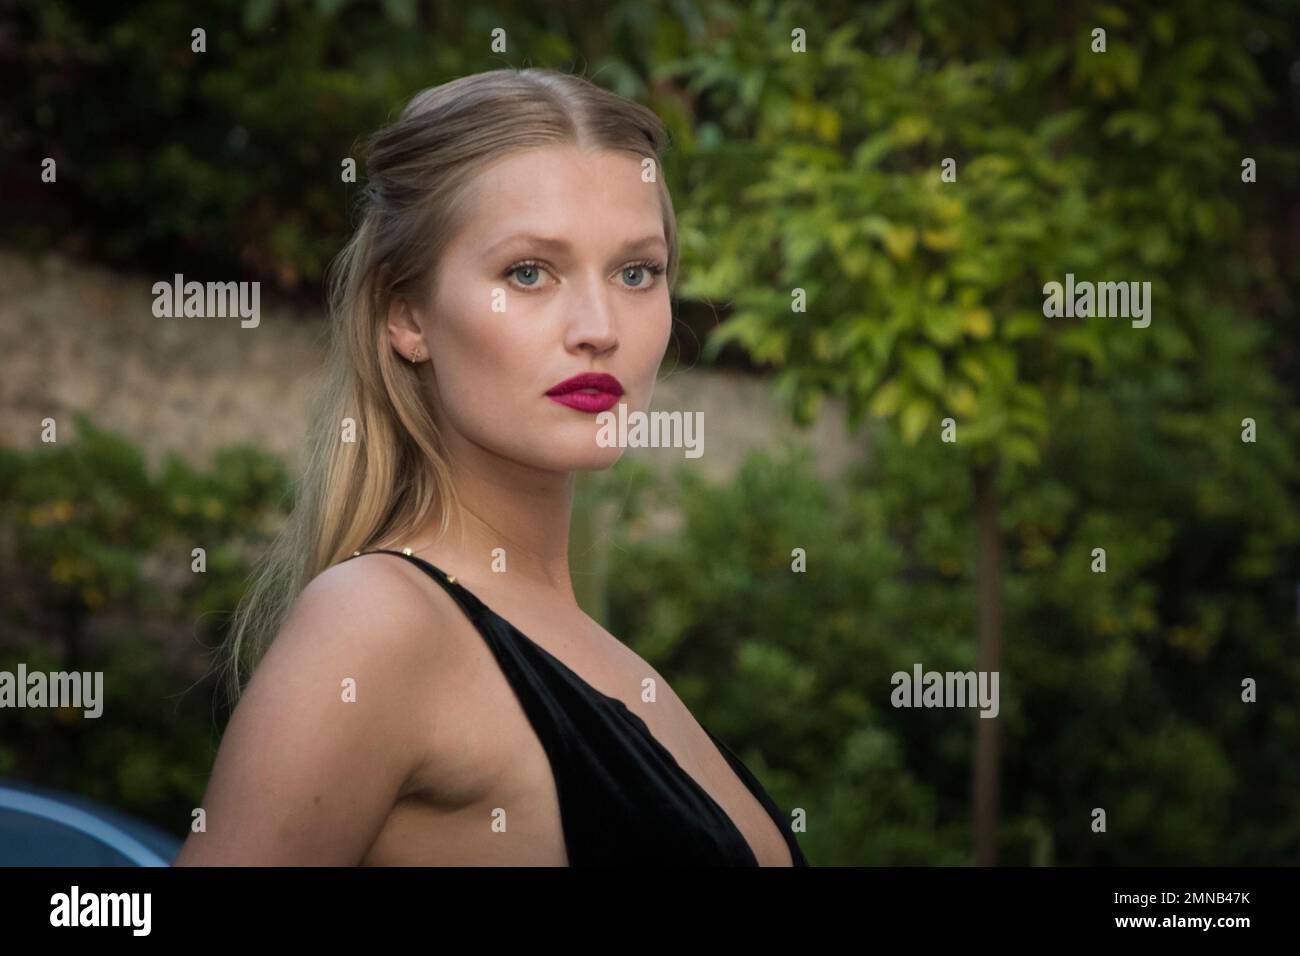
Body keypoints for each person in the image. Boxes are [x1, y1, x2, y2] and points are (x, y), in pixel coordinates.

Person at [175, 68, 808, 867]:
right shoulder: (377, 623)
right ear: (407, 315)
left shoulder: (601, 656)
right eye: (529, 273)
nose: (598, 328)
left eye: (636, 272)